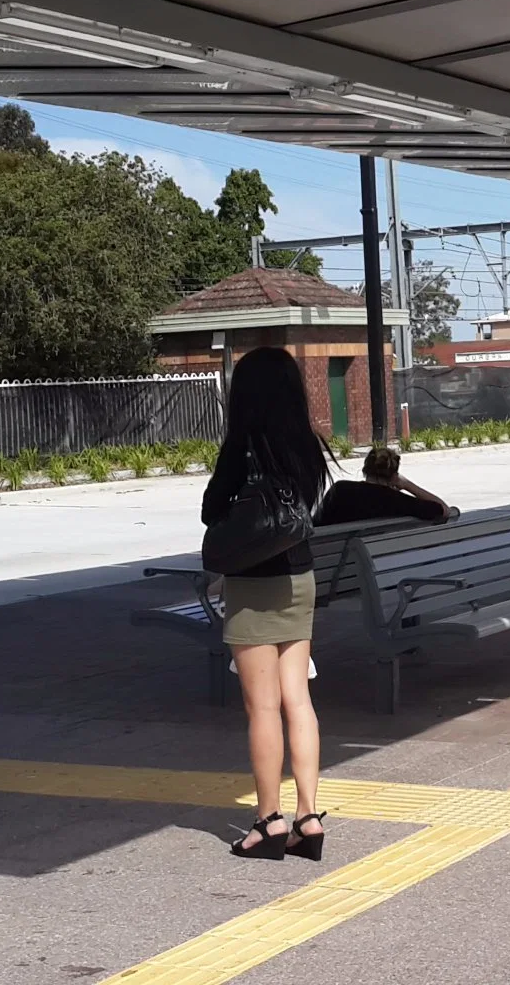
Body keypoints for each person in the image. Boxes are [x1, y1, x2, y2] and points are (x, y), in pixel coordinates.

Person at [201, 346, 331, 862]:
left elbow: (212, 511)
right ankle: (309, 816)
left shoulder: (242, 447)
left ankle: (268, 821)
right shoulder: (308, 445)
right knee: (297, 699)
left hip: (253, 587)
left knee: (262, 708)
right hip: (300, 579)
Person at [319, 445, 451, 525]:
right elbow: (444, 510)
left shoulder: (340, 490)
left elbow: (316, 525)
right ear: (394, 476)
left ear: (365, 470)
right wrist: (406, 484)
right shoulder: (398, 501)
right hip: (385, 567)